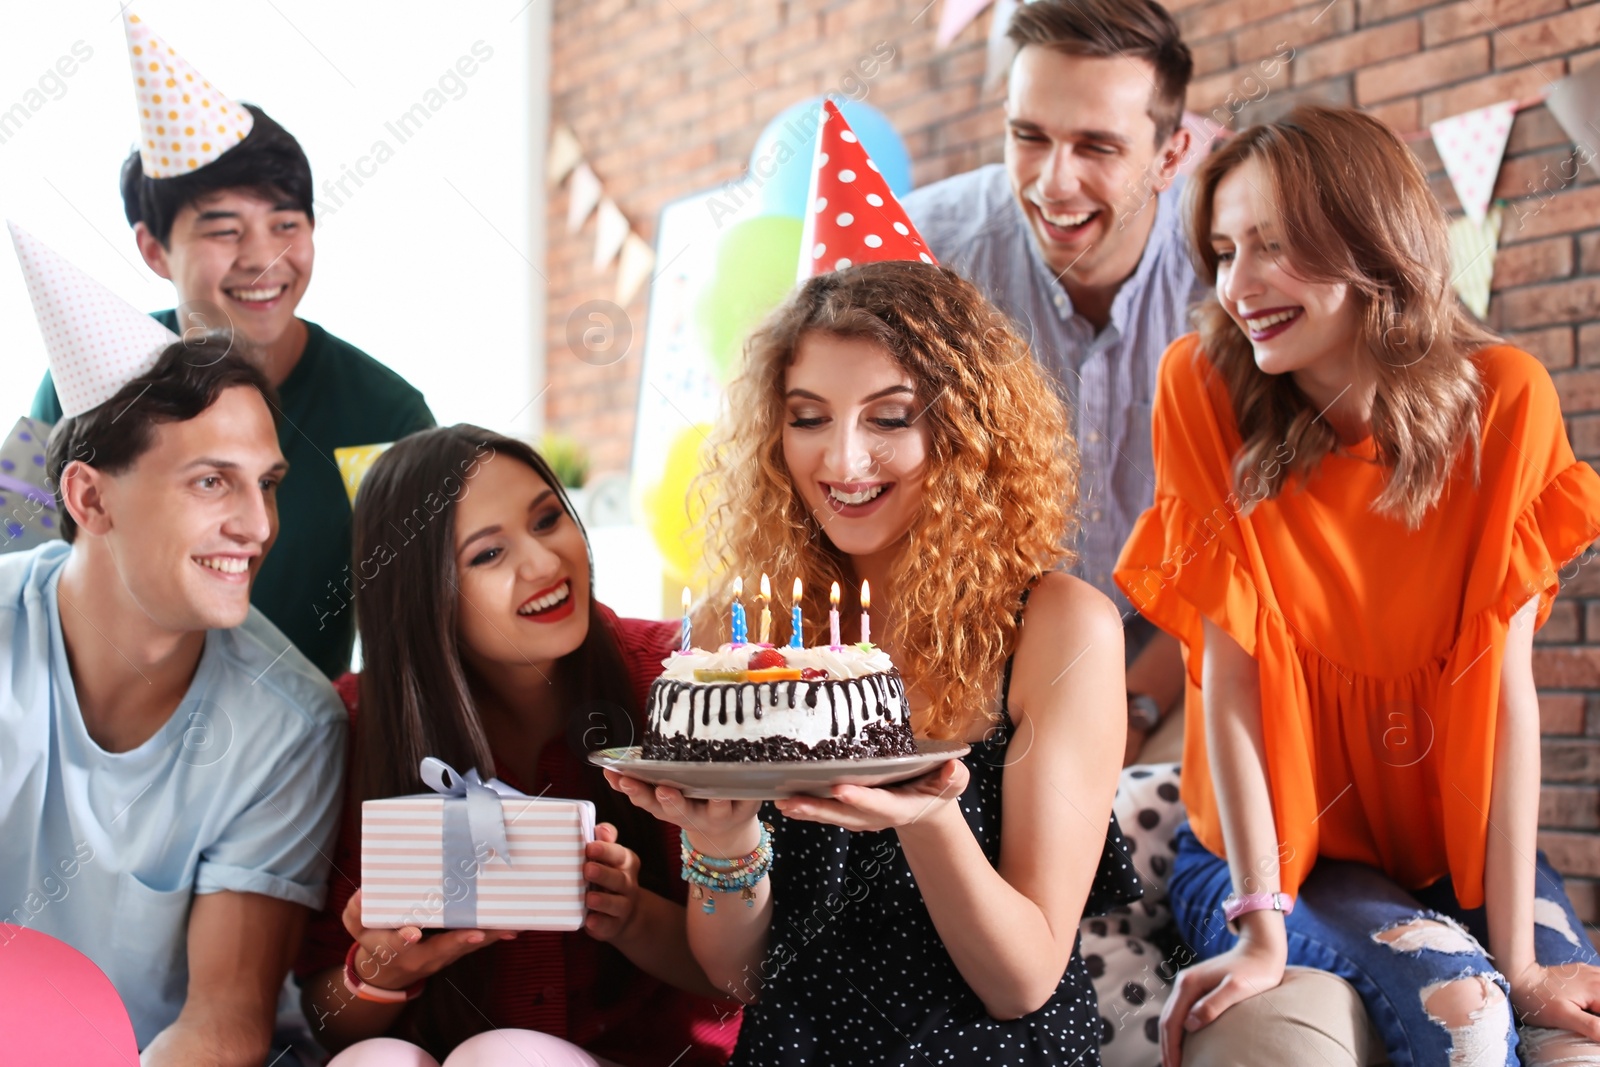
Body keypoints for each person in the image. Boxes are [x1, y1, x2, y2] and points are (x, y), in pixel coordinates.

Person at [1113, 104, 1600, 1066]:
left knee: (1561, 1032)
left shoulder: (1506, 399)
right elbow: (1234, 688)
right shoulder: (1202, 390)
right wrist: (1260, 926)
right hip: (1277, 862)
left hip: (1446, 855)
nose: (1237, 286)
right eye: (1221, 251)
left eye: (1273, 247)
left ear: (1373, 241)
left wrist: (1525, 959)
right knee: (1465, 1012)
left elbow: (1508, 703)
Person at [609, 260, 1144, 1065]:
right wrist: (721, 846)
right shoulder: (740, 630)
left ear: (966, 430)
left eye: (890, 417)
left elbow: (1021, 980)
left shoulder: (1058, 628)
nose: (843, 459)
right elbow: (744, 976)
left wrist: (926, 815)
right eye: (809, 417)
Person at [295, 426, 738, 1067]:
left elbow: (742, 985)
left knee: (505, 1057)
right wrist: (379, 972)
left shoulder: (675, 683)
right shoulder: (359, 723)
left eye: (548, 519)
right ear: (424, 598)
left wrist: (632, 916)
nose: (543, 563)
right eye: (488, 555)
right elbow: (326, 1022)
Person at [30, 13, 434, 679]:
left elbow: (420, 617)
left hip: (293, 750)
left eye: (286, 223)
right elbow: (10, 542)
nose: (264, 258)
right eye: (224, 230)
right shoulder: (83, 374)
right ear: (154, 248)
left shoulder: (383, 416)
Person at [0, 337, 346, 1064]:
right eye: (212, 482)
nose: (258, 527)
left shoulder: (289, 726)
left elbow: (224, 1020)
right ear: (90, 498)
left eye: (268, 482)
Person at [902, 0, 1206, 766]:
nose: (1053, 181)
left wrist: (1133, 706)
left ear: (1171, 157)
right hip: (981, 647)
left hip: (1185, 648)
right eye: (1027, 136)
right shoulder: (925, 255)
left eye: (1097, 146)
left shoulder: (1231, 271)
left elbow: (1256, 534)